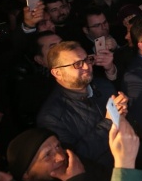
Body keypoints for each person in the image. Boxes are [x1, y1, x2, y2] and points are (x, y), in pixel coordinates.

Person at [37, 41, 129, 169]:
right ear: (57, 73)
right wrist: (109, 122)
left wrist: (123, 110)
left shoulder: (103, 85)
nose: (86, 66)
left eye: (87, 60)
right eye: (77, 64)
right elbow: (73, 159)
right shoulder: (52, 117)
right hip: (104, 174)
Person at [6, 127, 109, 181]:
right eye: (47, 155)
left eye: (58, 146)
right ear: (26, 175)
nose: (61, 157)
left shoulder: (71, 161)